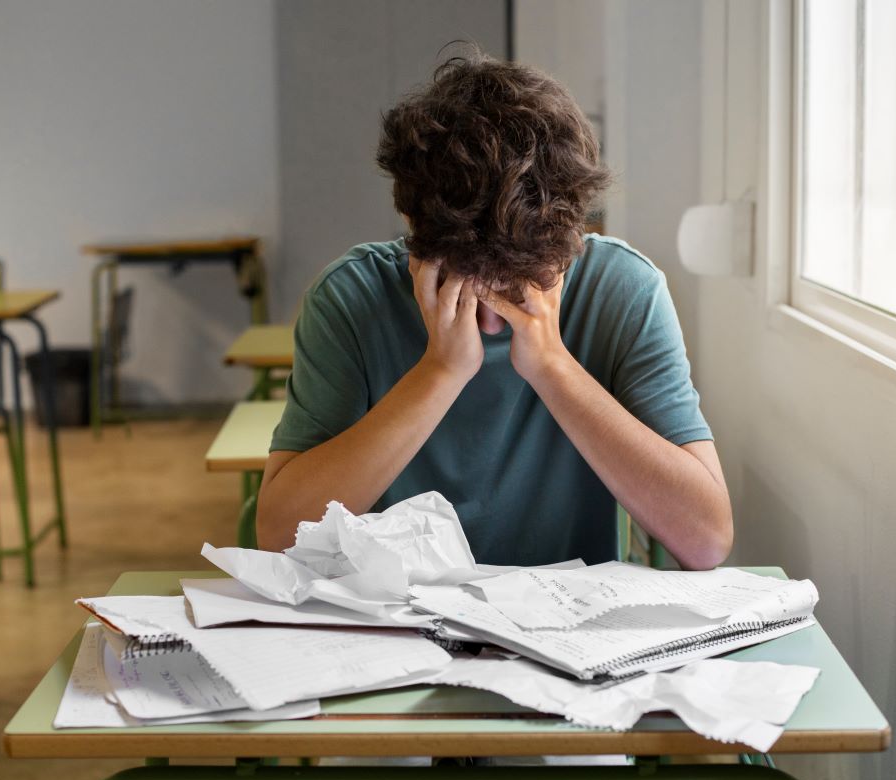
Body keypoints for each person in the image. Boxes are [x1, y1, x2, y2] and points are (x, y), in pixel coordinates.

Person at [258, 49, 732, 571]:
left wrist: (553, 366)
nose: (490, 324)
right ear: (412, 236)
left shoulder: (625, 290)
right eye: (460, 286)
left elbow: (707, 539)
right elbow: (280, 536)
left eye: (520, 286)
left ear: (574, 237)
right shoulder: (351, 298)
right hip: (394, 624)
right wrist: (439, 373)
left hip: (566, 630)